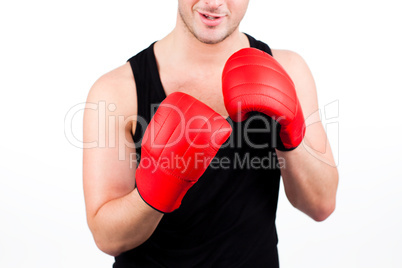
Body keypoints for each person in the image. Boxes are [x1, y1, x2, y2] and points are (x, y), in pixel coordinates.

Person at [83, 1, 339, 267]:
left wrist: (291, 132)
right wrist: (157, 188)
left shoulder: (288, 69)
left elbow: (322, 204)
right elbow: (107, 238)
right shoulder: (117, 91)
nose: (214, 3)